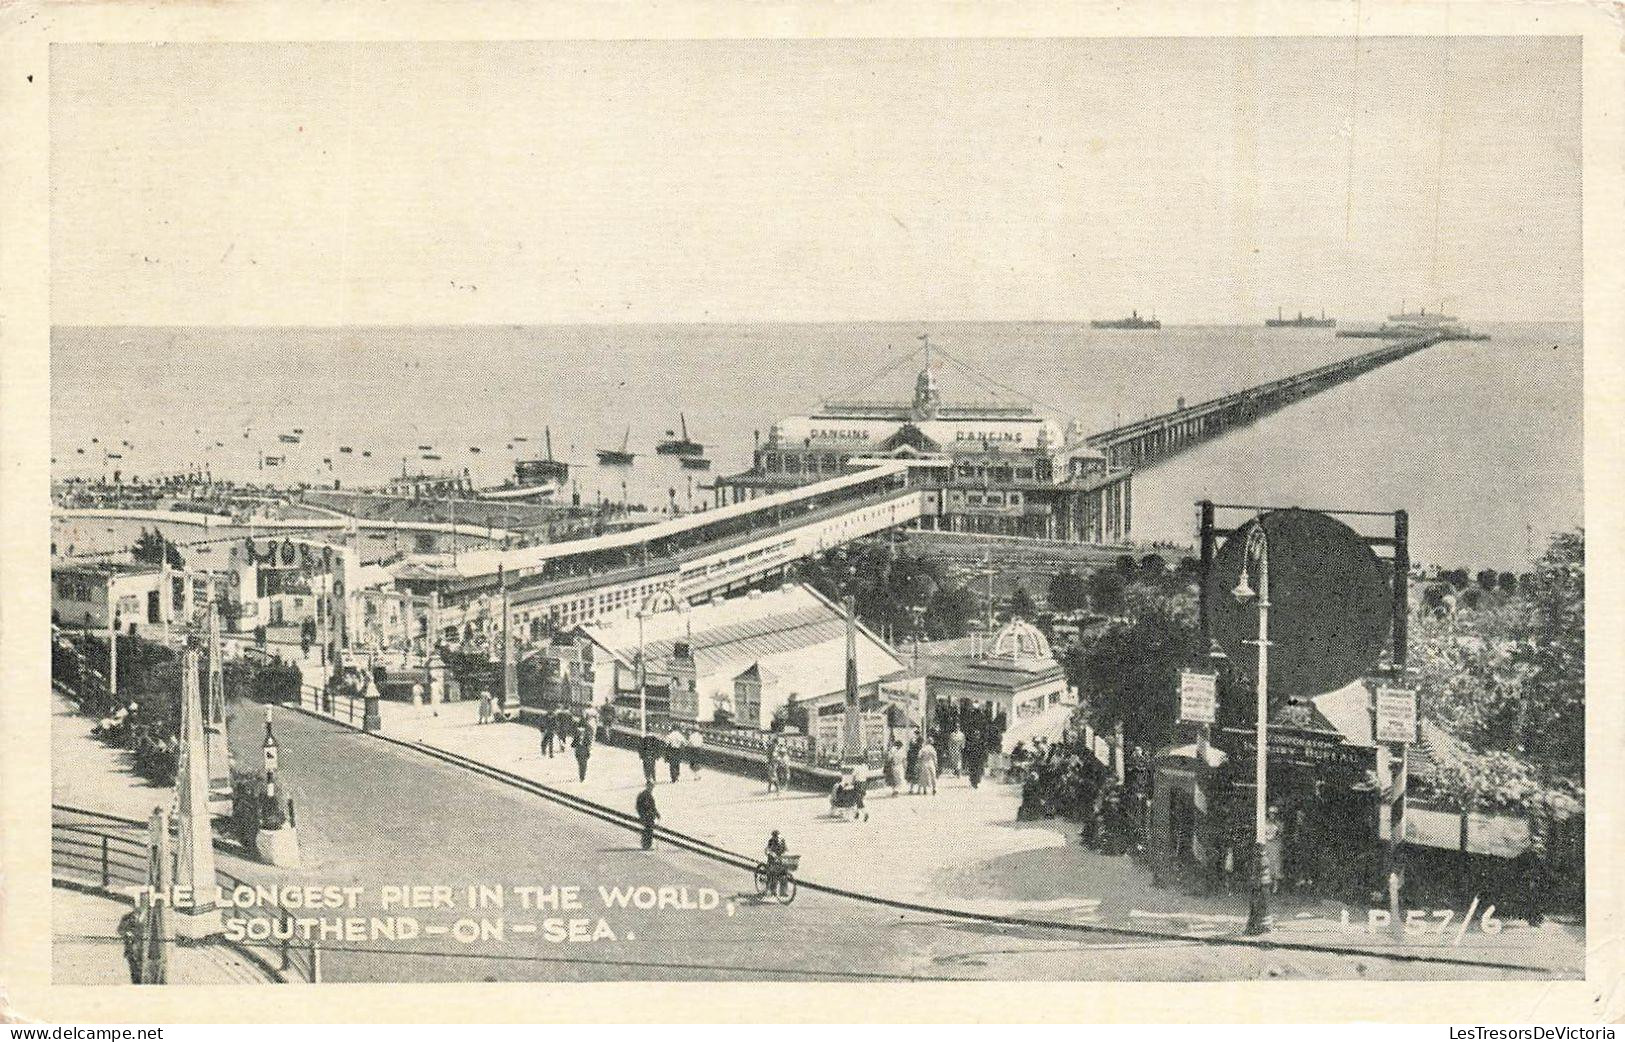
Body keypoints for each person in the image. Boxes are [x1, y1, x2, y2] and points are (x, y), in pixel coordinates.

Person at [635, 780, 660, 850]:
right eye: (650, 787)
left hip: (650, 816)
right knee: (648, 830)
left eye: (652, 787)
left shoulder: (649, 795)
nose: (651, 788)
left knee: (649, 830)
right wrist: (643, 814)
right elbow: (639, 806)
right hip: (646, 816)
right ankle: (646, 844)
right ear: (647, 786)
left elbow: (653, 806)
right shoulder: (643, 795)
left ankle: (647, 844)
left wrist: (656, 813)